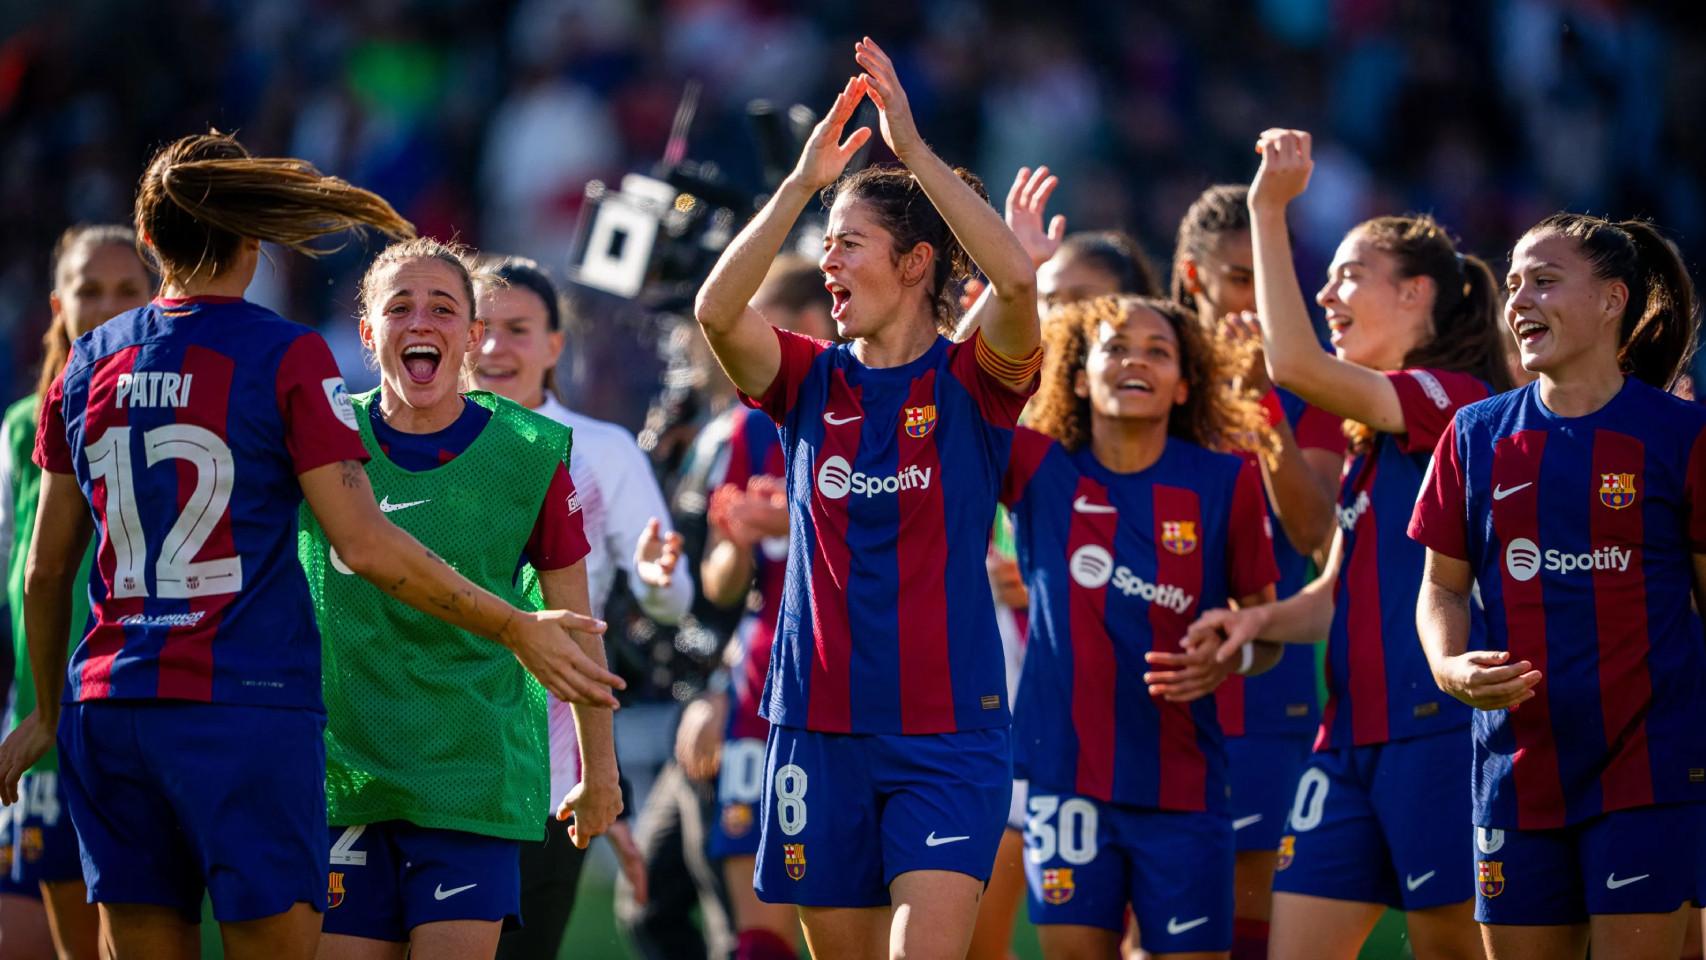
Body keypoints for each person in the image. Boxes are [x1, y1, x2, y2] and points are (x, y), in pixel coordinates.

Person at [0, 131, 619, 960]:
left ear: (148, 242)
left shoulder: (86, 363)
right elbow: (363, 543)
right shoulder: (283, 354)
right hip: (243, 706)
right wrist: (512, 624)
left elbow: (44, 570)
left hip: (110, 709)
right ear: (254, 240)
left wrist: (45, 709)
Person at [692, 38, 1042, 959]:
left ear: (917, 262)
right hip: (816, 727)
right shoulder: (808, 379)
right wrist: (801, 187)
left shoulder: (973, 383)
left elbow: (1014, 280)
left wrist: (912, 150)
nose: (829, 265)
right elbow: (717, 313)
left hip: (949, 734)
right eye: (826, 246)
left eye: (849, 244)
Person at [1185, 129, 1510, 960]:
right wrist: (1256, 623)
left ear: (1416, 294)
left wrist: (1268, 210)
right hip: (1348, 743)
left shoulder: (1454, 398)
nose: (1327, 293)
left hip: (1438, 734)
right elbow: (1335, 593)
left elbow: (1290, 363)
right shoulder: (1376, 439)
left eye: (1349, 274)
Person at [305, 238, 623, 959]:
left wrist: (598, 772)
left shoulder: (531, 451)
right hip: (346, 775)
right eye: (400, 307)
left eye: (443, 308)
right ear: (367, 334)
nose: (421, 321)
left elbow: (578, 628)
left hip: (473, 780)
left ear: (473, 336)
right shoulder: (322, 442)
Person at [1409, 213, 1706, 960]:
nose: (1519, 301)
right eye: (1514, 284)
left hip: (1651, 772)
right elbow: (1442, 588)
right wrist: (1448, 665)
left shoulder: (1682, 436)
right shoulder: (1474, 434)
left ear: (1612, 299)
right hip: (1515, 772)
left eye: (1544, 281)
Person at [1001, 293, 1283, 959]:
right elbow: (960, 397)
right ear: (1078, 377)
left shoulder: (1225, 482)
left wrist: (1230, 658)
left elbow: (1267, 630)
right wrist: (1009, 284)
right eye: (1116, 348)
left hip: (1183, 785)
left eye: (1159, 351)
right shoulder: (1037, 467)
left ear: (1184, 385)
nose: (1137, 361)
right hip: (1064, 778)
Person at [960, 167, 1162, 960]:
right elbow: (933, 397)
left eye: (1083, 299)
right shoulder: (1008, 422)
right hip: (1016, 704)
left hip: (1148, 715)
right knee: (982, 939)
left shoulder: (1175, 441)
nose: (1061, 315)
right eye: (1048, 296)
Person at [471, 256, 681, 960]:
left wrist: (654, 578)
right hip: (426, 751)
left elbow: (670, 600)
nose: (495, 346)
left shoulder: (601, 450)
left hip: (551, 769)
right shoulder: (409, 442)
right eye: (481, 327)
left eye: (518, 329)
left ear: (555, 345)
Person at [1171, 184, 1344, 960]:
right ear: (1193, 275)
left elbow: (1315, 534)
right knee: (1154, 916)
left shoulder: (1311, 385)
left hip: (1268, 686)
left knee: (1248, 914)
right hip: (1153, 677)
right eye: (1239, 277)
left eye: (1266, 277)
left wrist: (1261, 406)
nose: (1255, 297)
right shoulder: (1145, 374)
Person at [674, 256, 837, 960]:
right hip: (763, 688)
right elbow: (720, 586)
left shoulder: (879, 404)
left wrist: (796, 523)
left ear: (808, 323)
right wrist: (738, 541)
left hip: (858, 690)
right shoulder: (746, 428)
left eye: (758, 326)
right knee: (758, 938)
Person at [0, 224, 150, 960]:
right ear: (58, 303)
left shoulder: (184, 411)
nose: (108, 307)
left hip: (140, 717)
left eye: (128, 290)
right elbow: (18, 577)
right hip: (44, 724)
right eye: (89, 290)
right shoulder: (21, 429)